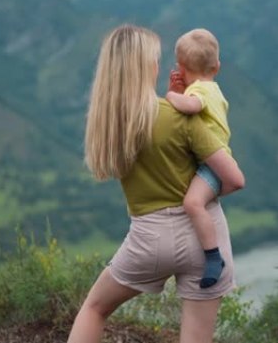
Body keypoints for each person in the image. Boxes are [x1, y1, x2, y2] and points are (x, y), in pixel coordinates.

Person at [67, 24, 245, 343]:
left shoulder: (110, 124)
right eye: (155, 59)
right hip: (204, 241)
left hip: (148, 238)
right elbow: (234, 179)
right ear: (146, 66)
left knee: (94, 309)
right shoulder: (180, 117)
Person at [165, 28, 231, 289]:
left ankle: (213, 257)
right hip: (213, 162)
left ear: (180, 69)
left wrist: (171, 95)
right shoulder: (214, 88)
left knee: (192, 203)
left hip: (212, 165)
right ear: (217, 67)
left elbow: (191, 107)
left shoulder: (199, 92)